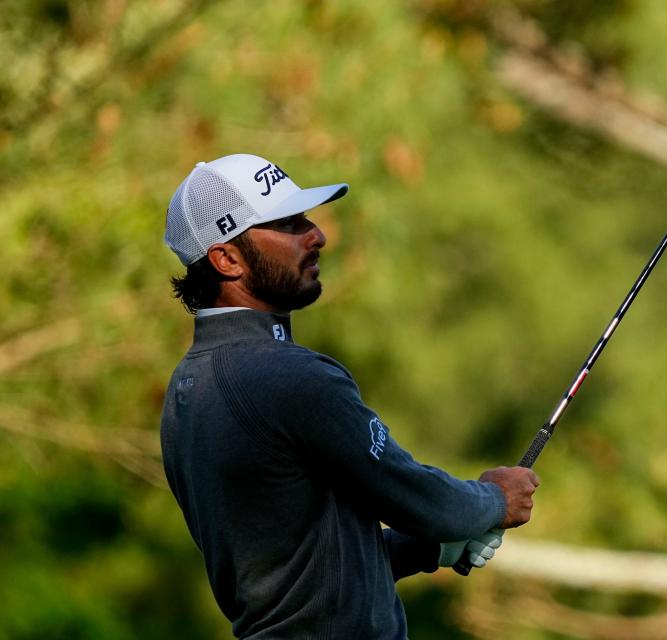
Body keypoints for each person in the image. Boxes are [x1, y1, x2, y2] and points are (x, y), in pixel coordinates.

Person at [160, 153, 539, 639]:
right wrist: (492, 500)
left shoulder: (187, 388)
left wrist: (431, 548)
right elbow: (416, 496)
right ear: (226, 259)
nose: (316, 234)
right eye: (288, 223)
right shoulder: (287, 376)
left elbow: (302, 576)